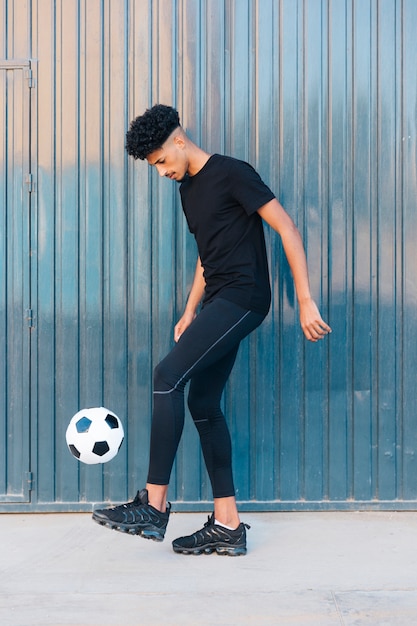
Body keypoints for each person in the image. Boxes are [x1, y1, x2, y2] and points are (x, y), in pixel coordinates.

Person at [92, 104, 331, 555]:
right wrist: (190, 311)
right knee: (202, 402)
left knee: (166, 378)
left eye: (161, 161)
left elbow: (287, 228)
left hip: (244, 298)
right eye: (154, 167)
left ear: (179, 141)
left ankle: (154, 504)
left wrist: (304, 300)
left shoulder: (232, 173)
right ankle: (228, 525)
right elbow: (208, 255)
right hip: (220, 300)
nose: (161, 172)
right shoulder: (188, 191)